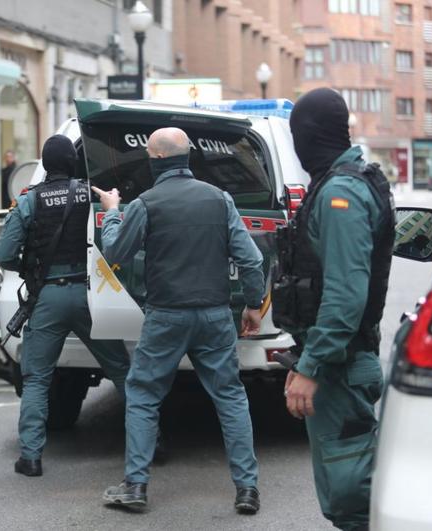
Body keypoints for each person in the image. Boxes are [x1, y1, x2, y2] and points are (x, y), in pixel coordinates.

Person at [94, 127, 265, 513]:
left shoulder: (146, 203)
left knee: (143, 395)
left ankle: (136, 487)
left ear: (155, 160)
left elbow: (115, 253)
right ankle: (247, 490)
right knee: (230, 397)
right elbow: (251, 260)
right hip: (216, 316)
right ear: (186, 158)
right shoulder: (219, 199)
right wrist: (253, 305)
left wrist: (112, 213)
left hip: (166, 316)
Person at [276, 87, 394, 530]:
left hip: (341, 367)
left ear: (308, 134)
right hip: (335, 363)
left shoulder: (340, 193)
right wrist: (306, 360)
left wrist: (313, 366)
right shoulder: (344, 182)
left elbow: (345, 297)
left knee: (352, 500)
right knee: (347, 498)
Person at [0, 134, 130, 478]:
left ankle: (31, 457)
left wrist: (30, 268)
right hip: (90, 297)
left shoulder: (30, 200)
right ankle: (151, 442)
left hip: (49, 296)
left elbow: (4, 254)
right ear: (72, 162)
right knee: (121, 370)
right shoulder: (91, 193)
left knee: (37, 379)